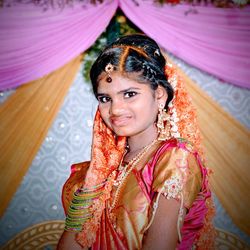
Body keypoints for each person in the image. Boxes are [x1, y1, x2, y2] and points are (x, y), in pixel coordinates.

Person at [57, 34, 216, 250]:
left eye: (129, 94)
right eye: (105, 98)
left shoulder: (175, 157)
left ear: (159, 95)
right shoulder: (103, 170)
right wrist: (95, 177)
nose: (115, 109)